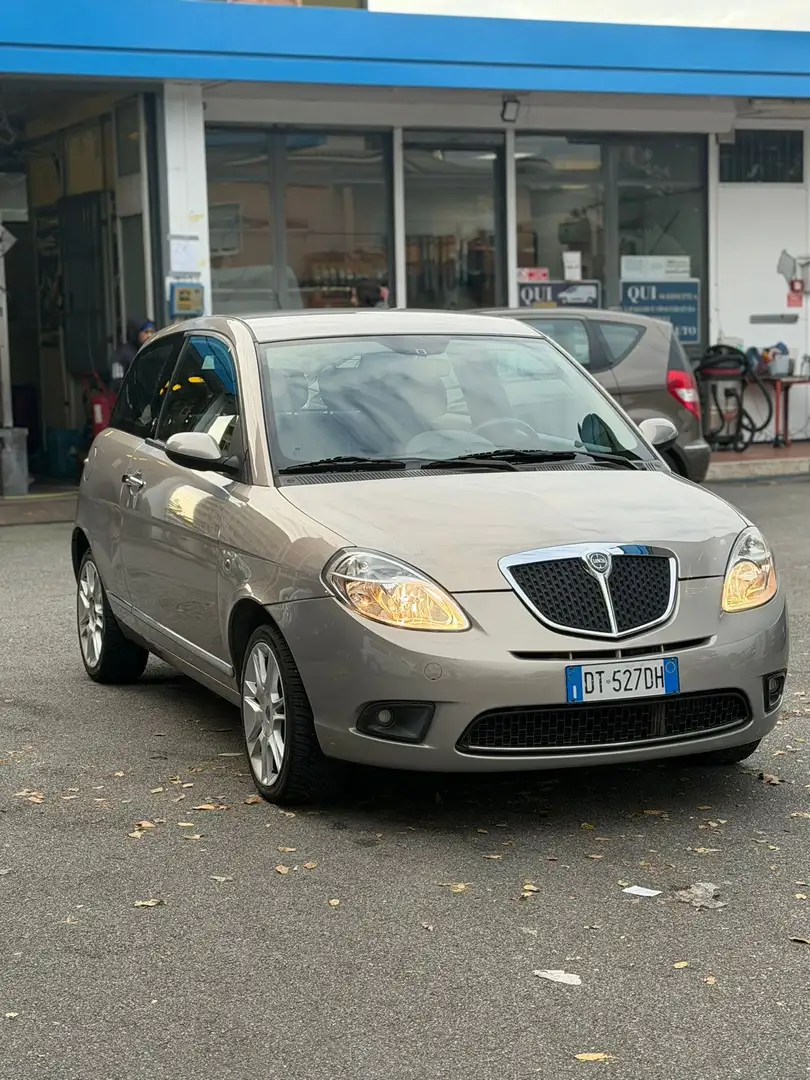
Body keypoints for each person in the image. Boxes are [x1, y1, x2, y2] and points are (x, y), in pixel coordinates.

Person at [109, 316, 155, 389]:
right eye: (146, 332)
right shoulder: (122, 354)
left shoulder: (152, 352)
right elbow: (117, 382)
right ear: (136, 333)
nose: (150, 335)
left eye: (152, 332)